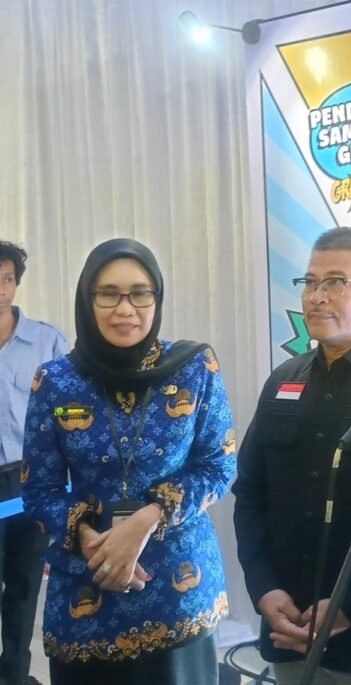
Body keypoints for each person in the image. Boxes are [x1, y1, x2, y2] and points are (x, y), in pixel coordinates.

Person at [21, 238, 236, 685]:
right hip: (87, 592)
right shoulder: (56, 381)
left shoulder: (194, 367)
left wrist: (144, 522)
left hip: (177, 591)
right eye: (108, 294)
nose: (125, 309)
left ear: (157, 297)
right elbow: (39, 490)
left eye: (140, 294)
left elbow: (218, 466)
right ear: (87, 300)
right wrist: (92, 543)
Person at [234, 227, 351, 685]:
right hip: (285, 624)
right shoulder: (284, 379)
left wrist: (350, 608)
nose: (316, 297)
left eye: (335, 282)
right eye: (310, 282)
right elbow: (250, 493)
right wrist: (263, 589)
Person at [0, 241, 67, 685]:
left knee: (24, 586)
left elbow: (70, 413)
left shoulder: (47, 341)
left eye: (6, 279)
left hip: (28, 480)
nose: (0, 290)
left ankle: (14, 676)